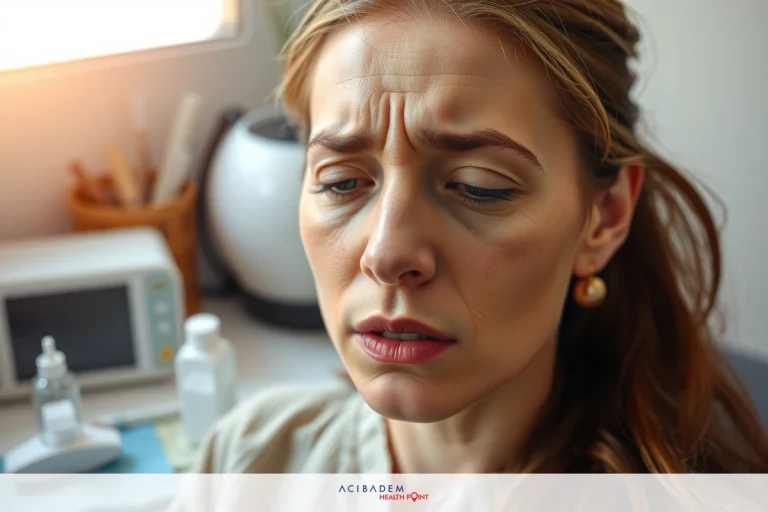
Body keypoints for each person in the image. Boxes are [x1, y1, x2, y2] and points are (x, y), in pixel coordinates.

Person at [191, 0, 768, 473]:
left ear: (606, 216)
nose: (387, 253)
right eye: (342, 182)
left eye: (478, 187)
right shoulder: (249, 459)